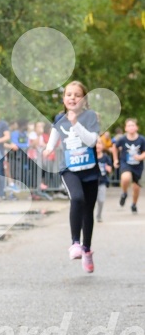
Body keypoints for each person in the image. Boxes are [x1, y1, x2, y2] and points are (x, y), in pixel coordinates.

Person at [43, 81, 100, 273]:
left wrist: (75, 122)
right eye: (69, 94)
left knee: (88, 212)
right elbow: (54, 137)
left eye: (77, 95)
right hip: (69, 169)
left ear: (83, 99)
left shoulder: (91, 116)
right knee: (77, 199)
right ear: (64, 98)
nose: (72, 98)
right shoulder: (60, 118)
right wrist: (49, 148)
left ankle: (87, 250)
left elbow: (91, 140)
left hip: (90, 170)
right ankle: (75, 243)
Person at [111, 118, 145, 213]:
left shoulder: (141, 139)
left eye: (133, 125)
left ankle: (134, 204)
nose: (131, 127)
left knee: (136, 188)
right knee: (125, 178)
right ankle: (124, 193)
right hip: (125, 163)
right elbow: (114, 147)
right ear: (125, 128)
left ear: (136, 127)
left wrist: (140, 157)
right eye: (129, 125)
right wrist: (115, 160)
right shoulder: (122, 139)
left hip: (137, 165)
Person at [96, 137, 112, 222]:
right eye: (95, 143)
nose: (97, 145)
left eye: (99, 143)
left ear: (102, 146)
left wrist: (108, 168)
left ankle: (99, 215)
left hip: (102, 181)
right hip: (91, 182)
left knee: (101, 200)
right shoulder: (91, 157)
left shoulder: (105, 157)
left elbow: (110, 168)